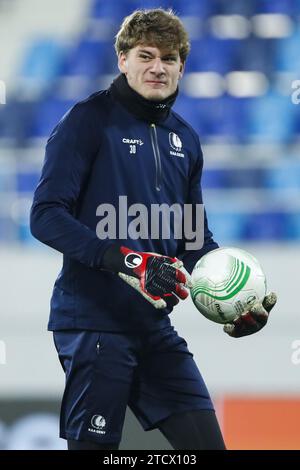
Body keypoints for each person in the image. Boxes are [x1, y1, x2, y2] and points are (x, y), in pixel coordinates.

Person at [30, 8, 277, 451]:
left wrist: (233, 300)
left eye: (169, 58)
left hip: (154, 327)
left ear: (182, 66)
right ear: (123, 59)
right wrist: (131, 261)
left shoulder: (186, 139)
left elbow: (193, 240)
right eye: (146, 55)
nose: (158, 67)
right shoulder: (87, 121)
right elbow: (45, 215)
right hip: (93, 322)